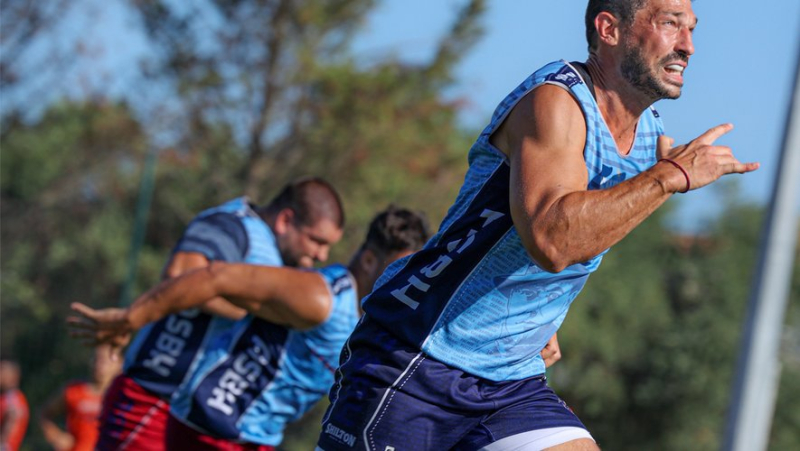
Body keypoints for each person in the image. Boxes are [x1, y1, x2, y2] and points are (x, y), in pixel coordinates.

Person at [313, 1, 760, 450]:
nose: (688, 46)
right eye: (670, 25)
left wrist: (535, 317)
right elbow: (552, 241)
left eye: (692, 30)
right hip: (418, 355)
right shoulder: (555, 101)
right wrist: (668, 178)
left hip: (510, 381)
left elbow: (578, 234)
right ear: (609, 29)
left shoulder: (650, 135)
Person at [68, 206, 431, 450]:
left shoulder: (361, 314)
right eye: (397, 268)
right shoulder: (321, 297)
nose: (402, 281)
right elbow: (216, 276)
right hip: (213, 431)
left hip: (247, 438)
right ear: (369, 259)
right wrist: (132, 318)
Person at [95, 177, 344, 450]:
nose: (322, 254)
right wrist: (249, 308)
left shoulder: (275, 258)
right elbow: (181, 274)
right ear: (286, 220)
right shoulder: (233, 225)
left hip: (192, 417)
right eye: (317, 241)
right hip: (153, 399)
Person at [40, 345, 123, 451]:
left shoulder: (123, 397)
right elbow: (44, 415)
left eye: (106, 360)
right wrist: (57, 437)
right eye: (96, 358)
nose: (100, 364)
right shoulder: (73, 391)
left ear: (119, 364)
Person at [0, 361, 28, 451]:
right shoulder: (6, 398)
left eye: (2, 371)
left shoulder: (12, 400)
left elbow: (8, 432)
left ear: (13, 375)